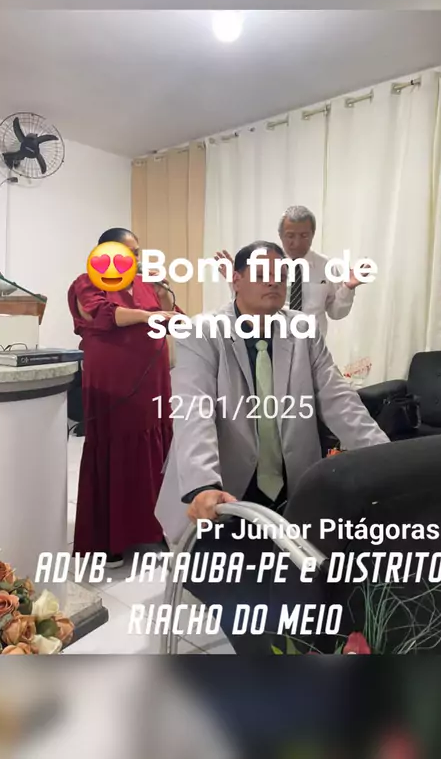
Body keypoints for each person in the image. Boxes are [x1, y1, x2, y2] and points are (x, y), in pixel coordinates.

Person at [155, 240, 388, 652]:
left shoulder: (303, 330)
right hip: (222, 498)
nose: (274, 283)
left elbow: (339, 401)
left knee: (314, 596)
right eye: (262, 274)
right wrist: (203, 484)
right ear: (236, 280)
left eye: (281, 275)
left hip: (289, 490)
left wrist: (387, 459)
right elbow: (193, 409)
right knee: (247, 612)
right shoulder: (201, 332)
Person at [68, 227, 183, 568]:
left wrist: (163, 293)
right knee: (116, 447)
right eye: (127, 253)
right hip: (113, 381)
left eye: (136, 253)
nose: (134, 258)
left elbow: (172, 317)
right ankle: (110, 539)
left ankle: (153, 529)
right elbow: (104, 314)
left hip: (152, 381)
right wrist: (149, 316)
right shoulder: (87, 282)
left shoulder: (146, 281)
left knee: (154, 451)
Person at [215, 205, 365, 338]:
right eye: (290, 236)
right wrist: (237, 282)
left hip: (312, 346)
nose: (297, 243)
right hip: (270, 342)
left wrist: (348, 288)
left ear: (313, 234)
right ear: (280, 235)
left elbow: (336, 313)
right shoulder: (264, 264)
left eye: (304, 236)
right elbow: (249, 305)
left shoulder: (328, 267)